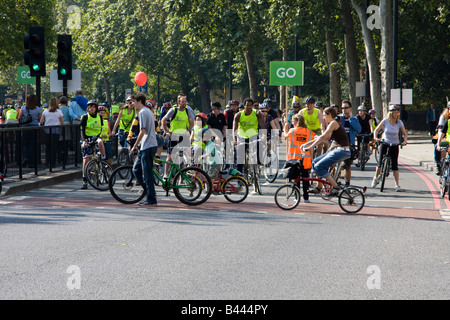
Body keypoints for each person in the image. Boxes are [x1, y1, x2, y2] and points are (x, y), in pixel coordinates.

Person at [301, 107, 351, 196]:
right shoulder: (332, 124)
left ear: (329, 115)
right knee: (315, 162)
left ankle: (335, 187)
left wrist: (310, 146)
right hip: (338, 149)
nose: (323, 118)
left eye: (324, 115)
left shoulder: (333, 123)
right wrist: (307, 144)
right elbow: (323, 137)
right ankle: (319, 187)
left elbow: (323, 137)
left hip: (342, 150)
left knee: (319, 166)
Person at [130, 92, 158, 207]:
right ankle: (148, 192)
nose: (132, 104)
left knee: (147, 174)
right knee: (136, 170)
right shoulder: (148, 111)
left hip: (147, 145)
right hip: (148, 145)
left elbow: (142, 130)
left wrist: (135, 145)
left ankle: (151, 198)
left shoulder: (142, 112)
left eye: (134, 102)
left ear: (139, 101)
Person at [371, 104, 408, 191]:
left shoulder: (399, 122)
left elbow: (404, 134)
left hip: (394, 144)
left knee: (395, 165)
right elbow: (376, 130)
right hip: (385, 143)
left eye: (397, 113)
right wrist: (375, 137)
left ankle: (397, 185)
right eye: (394, 113)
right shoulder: (385, 121)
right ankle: (375, 178)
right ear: (390, 113)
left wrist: (404, 141)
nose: (396, 114)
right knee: (380, 163)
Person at [161, 93, 195, 178]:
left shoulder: (187, 111)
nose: (184, 103)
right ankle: (165, 174)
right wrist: (166, 131)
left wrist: (190, 131)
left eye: (185, 101)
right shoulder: (173, 110)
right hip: (173, 135)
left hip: (183, 136)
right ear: (178, 102)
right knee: (170, 156)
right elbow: (163, 120)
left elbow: (192, 122)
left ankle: (188, 170)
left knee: (189, 152)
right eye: (182, 101)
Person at [284, 114, 315, 203]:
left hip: (294, 159)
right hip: (306, 159)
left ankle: (296, 197)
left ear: (297, 121)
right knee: (305, 178)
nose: (292, 123)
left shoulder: (292, 131)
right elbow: (311, 146)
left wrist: (285, 127)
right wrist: (311, 157)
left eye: (293, 121)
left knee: (296, 179)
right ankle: (306, 197)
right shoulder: (309, 132)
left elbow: (285, 136)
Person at [79, 100, 106, 189]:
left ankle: (102, 158)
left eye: (94, 107)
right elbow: (82, 130)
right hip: (87, 137)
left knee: (100, 142)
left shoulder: (99, 117)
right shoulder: (85, 117)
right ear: (88, 108)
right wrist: (84, 141)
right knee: (86, 159)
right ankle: (84, 180)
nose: (92, 108)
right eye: (90, 107)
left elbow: (100, 128)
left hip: (96, 136)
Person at [233, 97, 264, 173]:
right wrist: (235, 140)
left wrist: (263, 136)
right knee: (240, 155)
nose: (249, 107)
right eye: (247, 105)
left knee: (258, 143)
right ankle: (239, 174)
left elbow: (262, 125)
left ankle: (259, 163)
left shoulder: (257, 114)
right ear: (244, 106)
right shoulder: (238, 115)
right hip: (242, 136)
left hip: (253, 136)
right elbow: (234, 129)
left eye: (250, 105)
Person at [339, 100, 361, 186]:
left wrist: (351, 119)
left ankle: (347, 184)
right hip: (338, 145)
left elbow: (358, 130)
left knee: (346, 166)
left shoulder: (354, 119)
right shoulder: (339, 118)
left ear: (350, 108)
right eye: (342, 108)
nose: (344, 110)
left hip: (349, 146)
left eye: (346, 108)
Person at [18, 94, 42, 168]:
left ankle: (25, 158)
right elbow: (40, 120)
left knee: (25, 145)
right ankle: (32, 162)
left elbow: (19, 118)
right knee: (32, 145)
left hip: (25, 128)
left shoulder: (24, 108)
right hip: (34, 128)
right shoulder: (38, 109)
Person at [40, 97, 64, 168]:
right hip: (56, 130)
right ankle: (53, 163)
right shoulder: (59, 112)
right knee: (54, 147)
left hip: (47, 131)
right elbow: (62, 122)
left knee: (48, 147)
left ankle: (48, 162)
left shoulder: (45, 111)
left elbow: (41, 121)